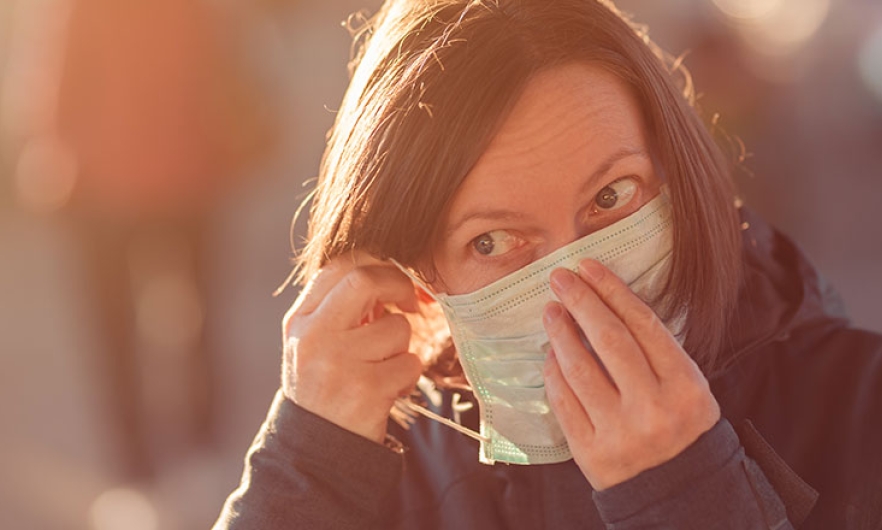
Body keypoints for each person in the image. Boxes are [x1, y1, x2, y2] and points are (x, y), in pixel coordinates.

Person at [213, 0, 882, 528]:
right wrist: (310, 466)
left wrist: (688, 492)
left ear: (677, 170)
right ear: (416, 271)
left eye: (611, 197)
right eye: (493, 241)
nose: (572, 279)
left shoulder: (856, 410)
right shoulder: (391, 452)